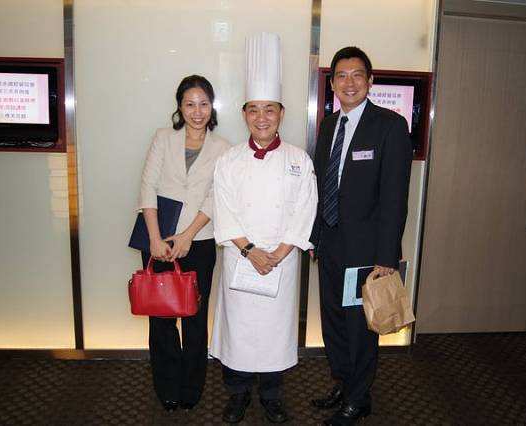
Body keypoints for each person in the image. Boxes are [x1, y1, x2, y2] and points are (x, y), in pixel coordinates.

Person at [210, 32, 317, 424]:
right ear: (244, 115)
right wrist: (249, 251)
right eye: (253, 110)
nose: (261, 117)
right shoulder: (229, 160)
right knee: (238, 331)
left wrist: (278, 254)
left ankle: (271, 396)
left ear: (281, 114)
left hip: (280, 261)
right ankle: (237, 394)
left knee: (274, 334)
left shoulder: (299, 160)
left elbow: (305, 210)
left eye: (269, 109)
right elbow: (224, 210)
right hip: (241, 257)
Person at [309, 47, 413, 425]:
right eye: (341, 76)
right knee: (334, 321)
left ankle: (358, 398)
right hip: (330, 242)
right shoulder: (328, 126)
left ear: (370, 81)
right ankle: (343, 382)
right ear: (333, 83)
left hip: (366, 251)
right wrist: (315, 236)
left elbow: (394, 196)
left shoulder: (389, 126)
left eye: (357, 75)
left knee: (360, 326)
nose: (348, 83)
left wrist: (386, 256)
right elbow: (321, 185)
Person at [137, 75, 230, 411]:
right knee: (161, 318)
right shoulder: (163, 138)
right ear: (180, 106)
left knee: (194, 317)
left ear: (212, 107)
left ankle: (191, 386)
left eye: (203, 104)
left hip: (199, 242)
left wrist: (188, 235)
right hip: (158, 239)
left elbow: (215, 197)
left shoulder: (223, 148)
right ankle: (167, 386)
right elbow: (147, 186)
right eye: (190, 104)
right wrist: (154, 238)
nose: (197, 111)